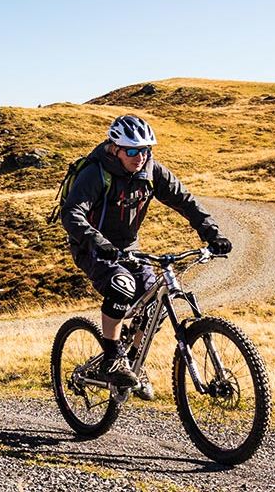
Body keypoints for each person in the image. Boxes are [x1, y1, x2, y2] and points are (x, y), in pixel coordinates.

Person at [57, 115, 232, 388]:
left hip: (129, 248)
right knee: (122, 286)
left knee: (157, 301)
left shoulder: (151, 171)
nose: (140, 156)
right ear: (115, 148)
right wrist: (97, 241)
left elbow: (185, 201)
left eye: (145, 150)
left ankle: (134, 361)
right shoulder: (96, 173)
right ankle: (112, 359)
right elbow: (71, 213)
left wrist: (212, 233)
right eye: (132, 151)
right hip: (91, 247)